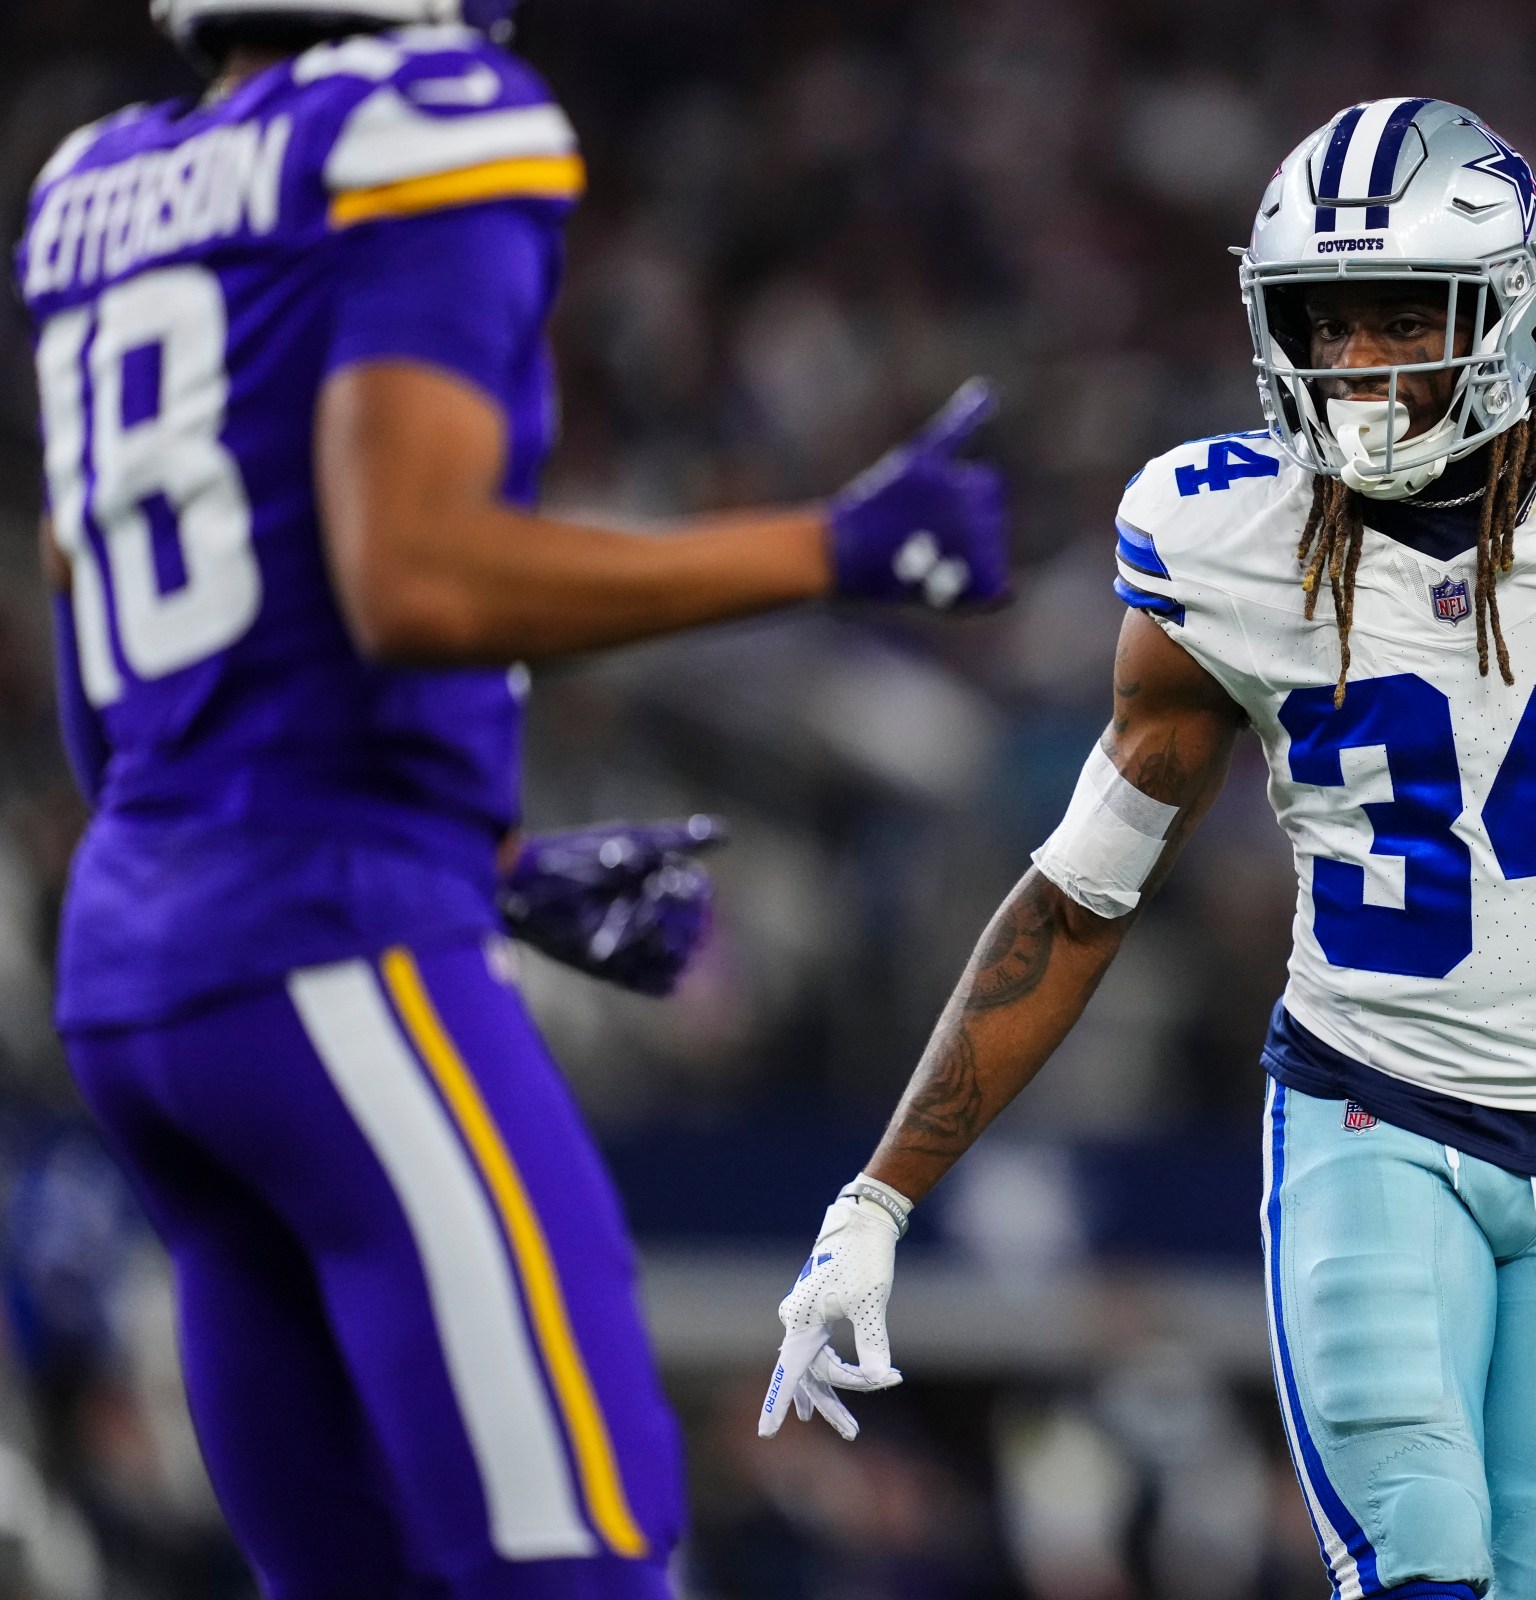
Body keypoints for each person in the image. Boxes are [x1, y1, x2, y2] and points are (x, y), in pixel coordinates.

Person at [762, 97, 1536, 1597]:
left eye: (1403, 317)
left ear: (1513, 311)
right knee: (1423, 1567)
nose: (1353, 365)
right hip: (1371, 1120)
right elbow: (1078, 898)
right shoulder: (1229, 545)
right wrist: (879, 1197)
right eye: (1321, 323)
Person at [16, 0, 1008, 1592]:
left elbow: (107, 690)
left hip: (145, 974)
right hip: (329, 946)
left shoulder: (96, 189)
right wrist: (827, 548)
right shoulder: (422, 118)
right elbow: (410, 577)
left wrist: (478, 859)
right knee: (583, 1568)